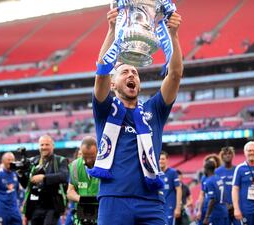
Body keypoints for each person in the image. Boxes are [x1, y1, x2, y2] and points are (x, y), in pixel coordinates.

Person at [88, 5, 182, 225]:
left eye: (135, 73)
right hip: (114, 198)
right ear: (113, 84)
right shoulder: (104, 109)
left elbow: (175, 74)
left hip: (151, 201)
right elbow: (101, 74)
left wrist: (174, 36)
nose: (132, 74)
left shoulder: (154, 110)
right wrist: (112, 31)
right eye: (125, 72)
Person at [18, 135, 69, 225]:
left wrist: (44, 178)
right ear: (38, 147)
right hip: (35, 206)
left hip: (52, 205)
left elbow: (64, 176)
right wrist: (21, 174)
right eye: (42, 145)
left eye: (47, 144)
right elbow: (26, 185)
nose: (44, 147)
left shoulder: (60, 160)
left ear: (53, 146)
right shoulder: (33, 161)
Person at [67, 136, 99, 225]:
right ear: (80, 151)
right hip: (82, 212)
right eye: (85, 156)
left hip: (102, 212)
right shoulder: (74, 166)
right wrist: (81, 199)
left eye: (92, 157)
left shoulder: (106, 165)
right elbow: (70, 192)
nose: (88, 160)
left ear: (98, 151)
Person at [0, 152, 22, 225]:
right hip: (1, 210)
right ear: (3, 161)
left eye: (12, 160)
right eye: (8, 160)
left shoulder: (16, 174)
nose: (11, 162)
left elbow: (18, 191)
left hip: (14, 210)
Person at [215, 146, 240, 225]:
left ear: (233, 155)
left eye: (229, 153)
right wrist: (224, 205)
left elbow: (241, 188)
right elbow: (216, 190)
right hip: (223, 207)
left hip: (237, 207)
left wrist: (235, 205)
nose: (227, 155)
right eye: (225, 154)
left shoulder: (238, 170)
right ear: (222, 156)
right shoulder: (217, 171)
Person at [196, 154, 222, 225]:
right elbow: (202, 194)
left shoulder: (219, 176)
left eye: (213, 162)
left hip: (217, 209)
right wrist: (199, 210)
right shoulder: (204, 177)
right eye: (209, 162)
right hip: (205, 207)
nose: (210, 163)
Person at [202, 159, 229, 225]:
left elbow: (212, 199)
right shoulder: (219, 178)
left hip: (215, 214)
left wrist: (206, 216)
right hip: (223, 211)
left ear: (206, 169)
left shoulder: (209, 181)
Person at [159, 151, 182, 225]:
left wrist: (178, 207)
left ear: (167, 160)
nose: (160, 161)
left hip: (170, 206)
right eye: (159, 159)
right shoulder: (156, 173)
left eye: (163, 159)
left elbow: (178, 189)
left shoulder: (173, 172)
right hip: (159, 206)